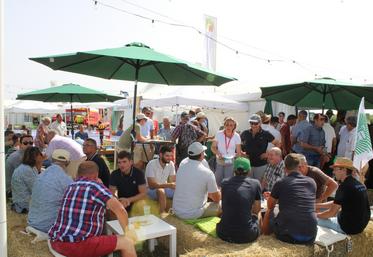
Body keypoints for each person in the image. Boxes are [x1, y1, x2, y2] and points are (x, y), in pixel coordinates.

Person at [48, 161, 136, 257]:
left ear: (78, 174)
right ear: (96, 175)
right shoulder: (95, 187)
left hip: (56, 241)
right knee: (127, 242)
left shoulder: (70, 186)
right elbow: (121, 210)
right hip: (76, 245)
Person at [262, 154, 317, 245]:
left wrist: (273, 197)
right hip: (310, 235)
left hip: (288, 235)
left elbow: (270, 205)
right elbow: (297, 199)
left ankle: (264, 234)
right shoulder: (311, 182)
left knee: (269, 211)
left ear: (285, 168)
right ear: (299, 167)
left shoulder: (281, 182)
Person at [317, 157, 371, 234]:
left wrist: (315, 215)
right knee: (323, 213)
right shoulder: (358, 183)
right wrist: (317, 205)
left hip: (348, 228)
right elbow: (337, 202)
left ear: (344, 170)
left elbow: (331, 213)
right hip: (360, 226)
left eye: (335, 169)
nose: (333, 172)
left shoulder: (344, 186)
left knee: (314, 220)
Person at [216, 157, 261, 244]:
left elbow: (223, 206)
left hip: (223, 233)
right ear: (249, 170)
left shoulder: (224, 182)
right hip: (247, 236)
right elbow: (257, 209)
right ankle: (262, 235)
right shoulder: (255, 183)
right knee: (258, 214)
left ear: (234, 169)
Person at [28, 149, 73, 233]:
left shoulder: (40, 176)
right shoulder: (67, 180)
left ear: (51, 160)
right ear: (68, 163)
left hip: (32, 222)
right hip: (49, 227)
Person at [172, 142, 221, 219]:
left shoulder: (181, 166)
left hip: (177, 210)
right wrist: (219, 192)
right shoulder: (207, 173)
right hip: (193, 214)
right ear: (202, 155)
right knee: (223, 204)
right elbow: (216, 199)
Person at [240, 114, 279, 181]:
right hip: (247, 164)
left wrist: (268, 154)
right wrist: (241, 153)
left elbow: (278, 144)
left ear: (260, 123)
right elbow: (238, 145)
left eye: (255, 123)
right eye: (251, 123)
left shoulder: (265, 133)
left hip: (261, 164)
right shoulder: (245, 133)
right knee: (248, 185)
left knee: (260, 185)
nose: (253, 125)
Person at [211, 117, 242, 187]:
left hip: (230, 161)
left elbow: (239, 152)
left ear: (234, 126)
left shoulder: (237, 136)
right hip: (220, 160)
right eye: (227, 124)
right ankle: (217, 196)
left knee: (228, 181)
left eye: (231, 125)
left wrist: (237, 161)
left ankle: (226, 196)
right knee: (217, 180)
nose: (229, 127)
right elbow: (213, 147)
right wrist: (218, 153)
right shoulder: (219, 134)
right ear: (224, 125)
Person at [11, 147, 43, 213]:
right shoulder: (26, 170)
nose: (42, 157)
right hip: (23, 204)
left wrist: (39, 168)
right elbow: (37, 189)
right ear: (35, 157)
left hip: (24, 201)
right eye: (40, 155)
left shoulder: (28, 167)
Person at [145, 145, 176, 213]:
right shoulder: (151, 164)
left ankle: (179, 211)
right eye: (167, 156)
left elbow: (172, 181)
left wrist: (173, 185)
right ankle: (161, 215)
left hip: (164, 187)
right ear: (161, 155)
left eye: (171, 156)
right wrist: (169, 185)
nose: (169, 158)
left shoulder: (171, 164)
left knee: (180, 190)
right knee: (161, 191)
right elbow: (151, 185)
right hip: (150, 190)